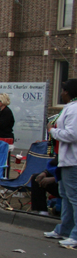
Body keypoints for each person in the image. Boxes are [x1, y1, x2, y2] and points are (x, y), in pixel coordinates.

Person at [45, 79, 77, 248]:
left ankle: (75, 234)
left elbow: (72, 134)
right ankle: (64, 229)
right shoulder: (70, 108)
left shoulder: (75, 109)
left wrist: (52, 131)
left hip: (73, 161)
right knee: (65, 196)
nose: (61, 93)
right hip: (65, 160)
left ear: (68, 92)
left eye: (63, 90)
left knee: (74, 198)